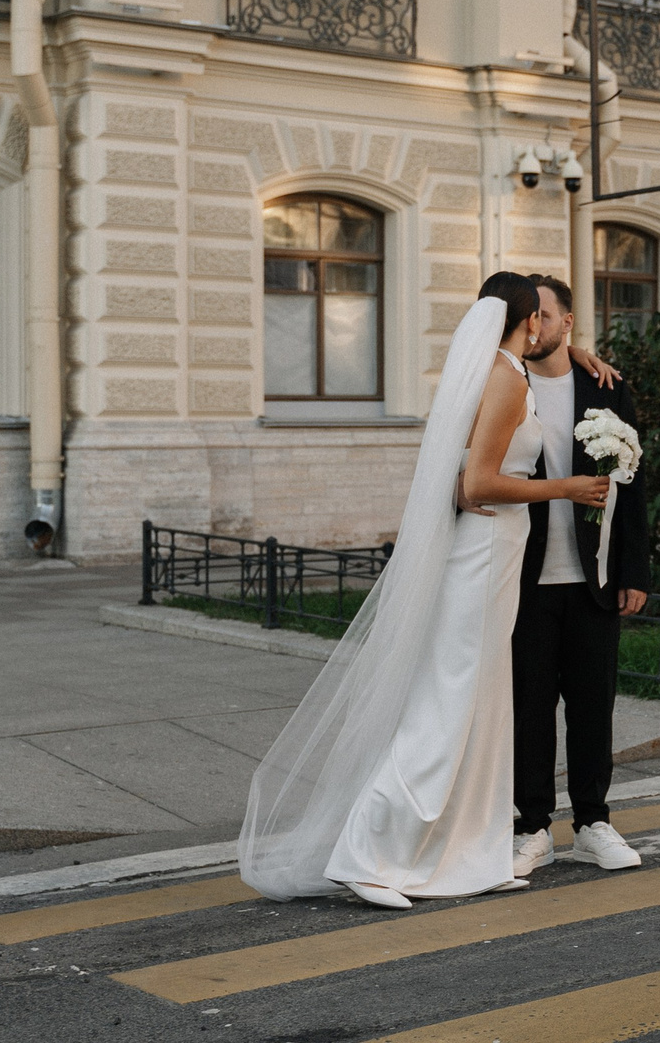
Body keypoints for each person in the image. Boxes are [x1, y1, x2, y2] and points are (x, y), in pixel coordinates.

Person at [238, 272, 610, 909]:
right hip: (484, 553)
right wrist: (565, 489)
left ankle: (469, 850)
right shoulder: (503, 376)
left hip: (497, 557)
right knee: (448, 702)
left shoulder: (496, 368)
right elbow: (481, 485)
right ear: (527, 322)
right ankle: (368, 854)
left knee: (485, 705)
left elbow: (466, 482)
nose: (548, 327)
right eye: (540, 318)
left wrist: (577, 357)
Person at [508, 276, 651, 877]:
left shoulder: (606, 386)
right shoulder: (505, 383)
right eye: (527, 317)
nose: (535, 325)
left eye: (545, 314)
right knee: (530, 709)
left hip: (593, 576)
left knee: (594, 706)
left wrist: (634, 569)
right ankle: (532, 828)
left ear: (568, 322)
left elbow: (636, 483)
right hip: (523, 579)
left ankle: (594, 822)